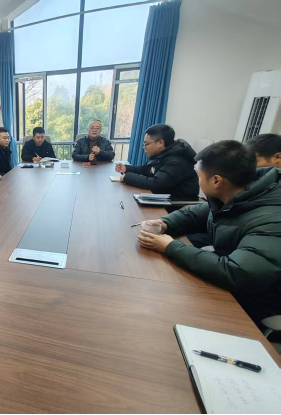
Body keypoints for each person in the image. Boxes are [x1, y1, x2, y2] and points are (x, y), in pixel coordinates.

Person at [137, 141, 281, 327]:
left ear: (216, 181)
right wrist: (165, 223)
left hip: (259, 299)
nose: (197, 181)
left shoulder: (271, 220)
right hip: (232, 276)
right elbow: (195, 213)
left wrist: (171, 246)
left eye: (199, 176)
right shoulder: (235, 194)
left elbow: (237, 273)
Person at [116, 125, 200, 201]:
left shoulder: (176, 160)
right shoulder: (162, 154)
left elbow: (156, 184)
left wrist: (128, 177)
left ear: (160, 143)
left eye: (146, 144)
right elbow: (145, 169)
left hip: (175, 205)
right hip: (161, 198)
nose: (144, 147)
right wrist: (126, 168)